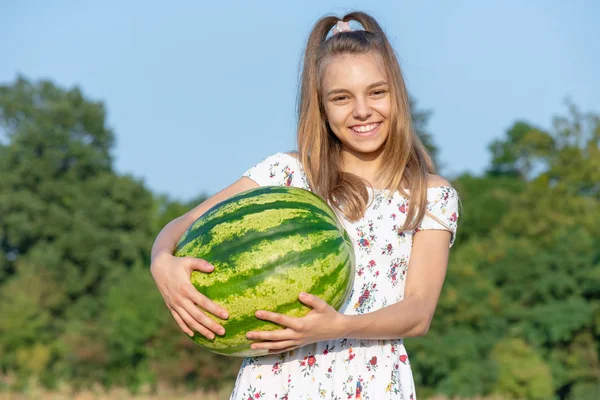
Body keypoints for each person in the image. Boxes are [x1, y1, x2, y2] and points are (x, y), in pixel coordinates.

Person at [150, 11, 460, 399]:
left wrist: (337, 326)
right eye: (341, 98)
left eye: (376, 92)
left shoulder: (430, 196)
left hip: (373, 382)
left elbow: (418, 313)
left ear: (397, 93)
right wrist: (161, 260)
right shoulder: (288, 173)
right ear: (322, 107)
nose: (361, 110)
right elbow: (187, 221)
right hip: (274, 382)